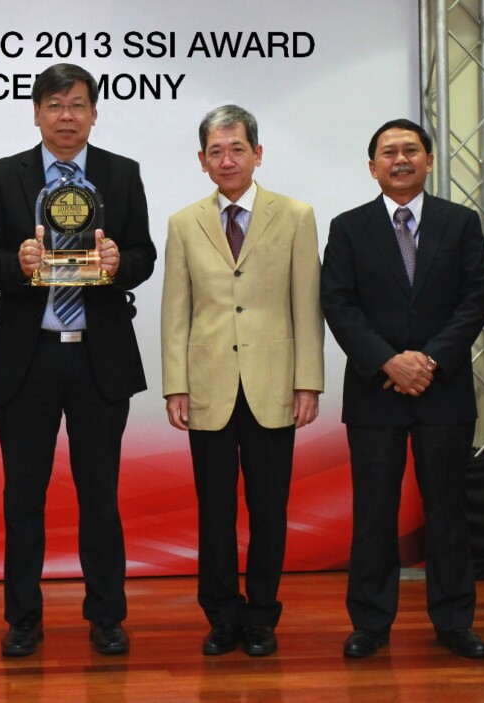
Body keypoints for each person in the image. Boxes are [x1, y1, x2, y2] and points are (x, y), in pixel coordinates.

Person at [0, 63, 156, 657]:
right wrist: (19, 264)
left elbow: (144, 255)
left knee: (99, 495)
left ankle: (106, 615)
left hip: (98, 358)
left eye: (77, 105)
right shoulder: (5, 175)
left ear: (94, 113)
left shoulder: (121, 173)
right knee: (23, 497)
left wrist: (118, 264)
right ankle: (23, 617)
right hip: (28, 359)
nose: (66, 117)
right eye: (54, 105)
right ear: (36, 114)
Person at [321, 119, 484, 659]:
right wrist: (388, 362)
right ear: (372, 166)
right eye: (389, 152)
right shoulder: (348, 227)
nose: (400, 159)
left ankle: (454, 621)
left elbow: (476, 297)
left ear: (429, 160)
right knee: (375, 513)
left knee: (448, 510)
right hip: (375, 391)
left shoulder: (460, 223)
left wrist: (431, 360)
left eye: (411, 150)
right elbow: (338, 303)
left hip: (444, 390)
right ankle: (370, 623)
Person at [160, 105, 324, 657]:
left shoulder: (296, 215)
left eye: (237, 149)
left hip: (274, 382)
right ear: (202, 160)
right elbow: (175, 311)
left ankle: (262, 616)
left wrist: (308, 381)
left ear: (258, 154)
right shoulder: (184, 223)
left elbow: (307, 303)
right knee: (214, 511)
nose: (227, 160)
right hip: (207, 384)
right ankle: (222, 616)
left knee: (269, 508)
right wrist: (176, 385)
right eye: (216, 151)